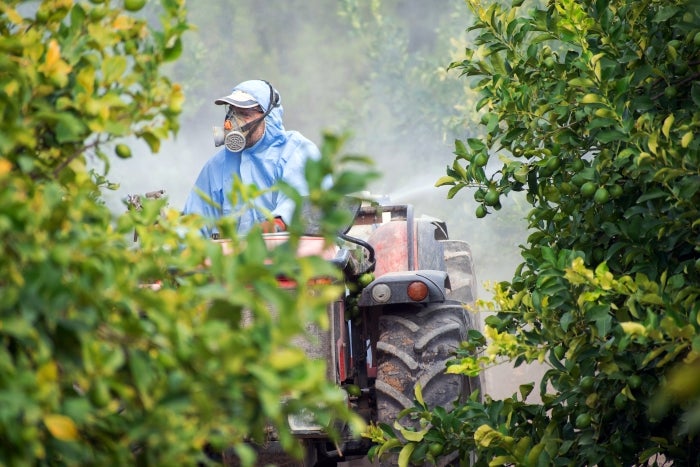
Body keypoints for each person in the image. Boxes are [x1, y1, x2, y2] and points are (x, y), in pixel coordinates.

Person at [183, 79, 320, 238]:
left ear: (268, 117)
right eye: (232, 112)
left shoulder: (296, 151)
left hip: (289, 257)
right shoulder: (217, 165)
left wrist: (276, 224)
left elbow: (301, 205)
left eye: (244, 114)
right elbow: (194, 222)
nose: (233, 122)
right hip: (234, 260)